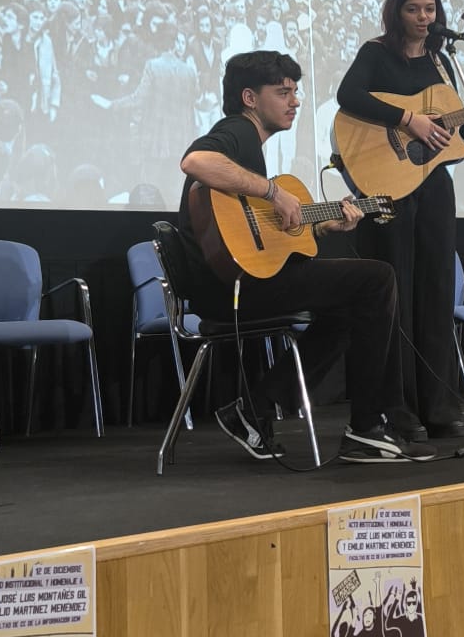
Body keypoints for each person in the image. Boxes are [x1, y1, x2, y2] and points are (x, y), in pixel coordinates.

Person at [171, 48, 424, 465]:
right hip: (229, 289)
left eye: (295, 92)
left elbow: (264, 234)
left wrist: (322, 225)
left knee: (352, 304)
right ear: (250, 98)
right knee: (377, 279)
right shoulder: (237, 130)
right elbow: (195, 161)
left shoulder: (250, 143)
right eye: (283, 92)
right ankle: (364, 430)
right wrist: (274, 191)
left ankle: (255, 409)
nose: (296, 101)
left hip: (235, 284)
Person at [337, 0, 464, 444]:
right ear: (396, 12)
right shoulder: (376, 53)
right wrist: (408, 119)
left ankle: (438, 406)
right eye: (414, 9)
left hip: (434, 185)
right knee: (396, 293)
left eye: (430, 9)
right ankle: (396, 408)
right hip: (388, 187)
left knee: (437, 291)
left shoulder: (442, 61)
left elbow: (449, 135)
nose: (424, 17)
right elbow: (348, 97)